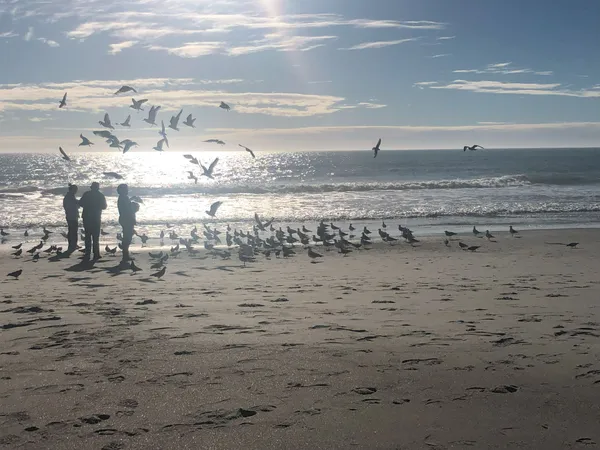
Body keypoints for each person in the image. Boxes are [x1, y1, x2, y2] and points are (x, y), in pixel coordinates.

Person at [78, 182, 107, 260]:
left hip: (87, 217)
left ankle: (87, 253)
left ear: (91, 187)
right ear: (98, 188)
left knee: (87, 236)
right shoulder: (100, 195)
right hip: (96, 217)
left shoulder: (86, 194)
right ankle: (96, 253)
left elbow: (80, 203)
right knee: (95, 237)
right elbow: (104, 206)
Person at [117, 184, 138, 263]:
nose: (127, 190)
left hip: (124, 218)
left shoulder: (123, 197)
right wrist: (132, 218)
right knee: (127, 237)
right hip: (127, 219)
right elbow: (128, 210)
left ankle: (125, 254)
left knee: (127, 236)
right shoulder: (124, 198)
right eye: (126, 189)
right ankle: (125, 255)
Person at [62, 184, 79, 253]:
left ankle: (72, 245)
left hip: (70, 215)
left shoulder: (68, 196)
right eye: (75, 190)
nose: (76, 191)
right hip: (72, 216)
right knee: (73, 231)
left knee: (72, 231)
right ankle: (73, 245)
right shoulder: (70, 197)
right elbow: (73, 205)